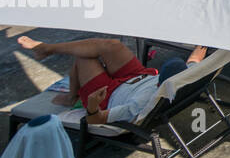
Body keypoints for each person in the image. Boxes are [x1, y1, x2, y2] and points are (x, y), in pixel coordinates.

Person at [17, 35, 204, 126]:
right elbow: (195, 59)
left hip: (110, 94)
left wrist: (92, 106)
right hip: (140, 74)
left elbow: (94, 119)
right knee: (112, 45)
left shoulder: (139, 106)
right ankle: (47, 48)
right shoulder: (184, 78)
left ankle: (71, 96)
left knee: (83, 59)